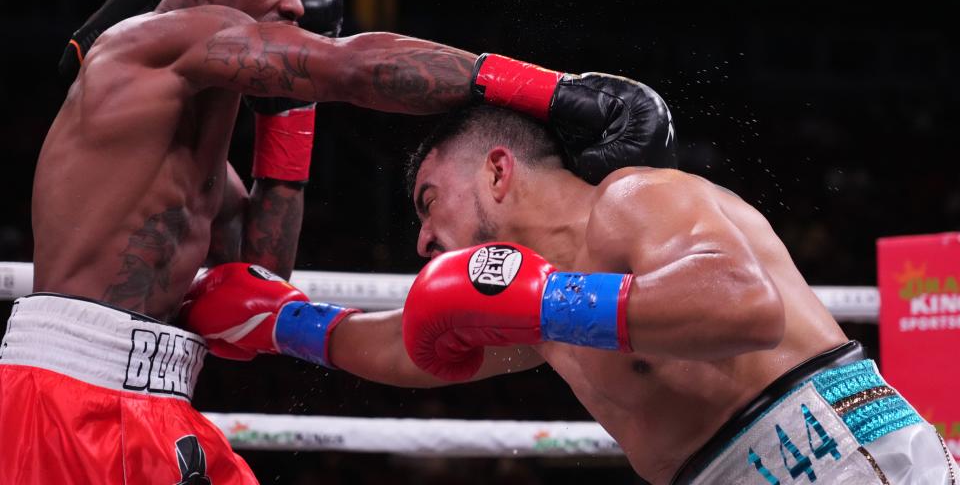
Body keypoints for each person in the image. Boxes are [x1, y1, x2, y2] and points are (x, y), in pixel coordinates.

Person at [0, 0, 674, 483]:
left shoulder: (193, 164)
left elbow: (259, 283)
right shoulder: (148, 42)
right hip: (68, 395)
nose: (297, 4)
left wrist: (290, 108)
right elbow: (352, 69)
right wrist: (556, 92)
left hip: (154, 403)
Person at [184, 104, 958, 485]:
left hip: (835, 455)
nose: (422, 242)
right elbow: (411, 344)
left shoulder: (635, 200)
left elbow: (743, 305)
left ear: (497, 170)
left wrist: (547, 303)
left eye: (428, 202)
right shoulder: (544, 309)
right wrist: (285, 322)